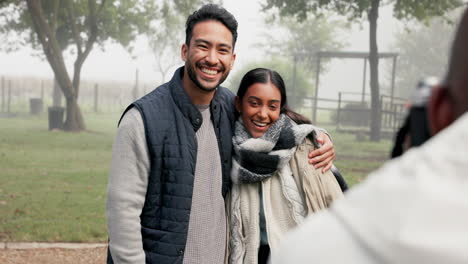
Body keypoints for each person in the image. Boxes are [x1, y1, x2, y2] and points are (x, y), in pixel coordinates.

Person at [106, 4, 334, 264]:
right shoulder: (142, 119)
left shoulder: (228, 106)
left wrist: (318, 136)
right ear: (185, 51)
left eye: (222, 50)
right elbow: (122, 213)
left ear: (232, 60)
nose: (212, 59)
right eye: (203, 46)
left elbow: (274, 124)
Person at [271, 8, 468, 264]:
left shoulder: (312, 248)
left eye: (272, 105)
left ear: (437, 109)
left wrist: (317, 134)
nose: (262, 114)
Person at [229, 68, 344, 264]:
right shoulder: (227, 145)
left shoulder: (303, 146)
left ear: (280, 107)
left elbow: (334, 205)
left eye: (272, 106)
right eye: (254, 103)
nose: (263, 114)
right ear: (239, 103)